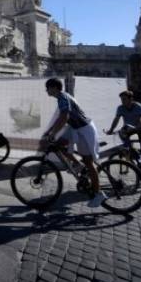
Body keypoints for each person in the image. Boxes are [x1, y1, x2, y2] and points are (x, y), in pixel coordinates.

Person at [40, 77, 107, 208]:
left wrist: (53, 133)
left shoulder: (63, 98)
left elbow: (64, 117)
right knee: (58, 145)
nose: (46, 90)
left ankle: (98, 194)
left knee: (89, 162)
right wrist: (50, 131)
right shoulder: (62, 97)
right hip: (75, 128)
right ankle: (77, 165)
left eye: (47, 87)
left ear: (54, 87)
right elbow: (61, 117)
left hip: (84, 129)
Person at [106, 90, 141, 165]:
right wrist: (111, 130)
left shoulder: (138, 106)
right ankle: (133, 152)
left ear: (131, 99)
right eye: (121, 99)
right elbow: (116, 119)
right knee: (123, 138)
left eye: (124, 99)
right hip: (129, 128)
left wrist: (137, 126)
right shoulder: (120, 108)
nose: (122, 101)